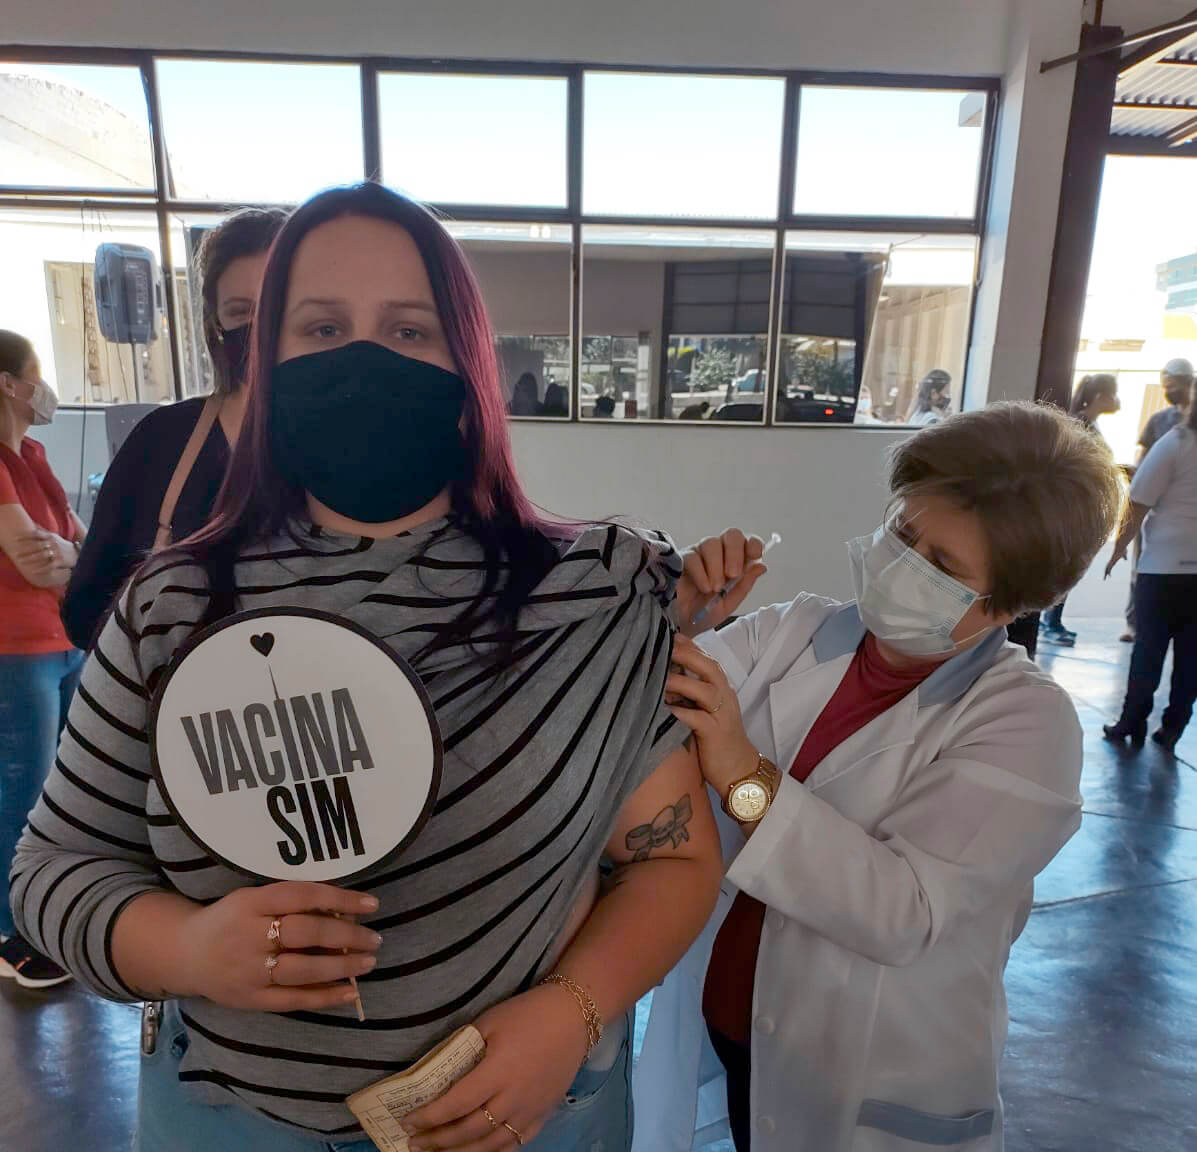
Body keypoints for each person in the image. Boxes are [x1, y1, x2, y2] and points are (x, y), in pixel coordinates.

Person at [11, 183, 722, 1152]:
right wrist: (186, 948)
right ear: (266, 361)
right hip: (230, 1121)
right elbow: (54, 868)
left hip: (528, 1121)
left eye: (409, 330)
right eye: (321, 328)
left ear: (467, 360)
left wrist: (575, 1009)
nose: (362, 359)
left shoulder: (597, 592)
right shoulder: (171, 605)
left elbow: (672, 857)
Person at [635, 402, 1125, 1152]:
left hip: (869, 1081)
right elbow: (641, 710)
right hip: (735, 1029)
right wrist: (679, 622)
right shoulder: (794, 630)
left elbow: (901, 909)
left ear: (1010, 604)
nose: (902, 566)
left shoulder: (1027, 725)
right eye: (902, 534)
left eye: (942, 568)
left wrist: (740, 772)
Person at [61, 207, 288, 651]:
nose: (260, 329)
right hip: (182, 687)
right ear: (215, 322)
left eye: (278, 308)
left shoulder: (364, 444)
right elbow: (88, 607)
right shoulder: (163, 441)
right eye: (241, 311)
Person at [0, 330, 86, 989]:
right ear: (9, 383)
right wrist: (68, 553)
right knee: (21, 791)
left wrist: (69, 553)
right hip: (15, 650)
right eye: (36, 374)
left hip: (63, 639)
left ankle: (50, 912)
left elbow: (83, 546)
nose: (45, 388)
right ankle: (13, 933)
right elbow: (33, 560)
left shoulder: (31, 456)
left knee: (65, 790)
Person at [1103, 381, 1197, 753]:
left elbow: (1139, 500)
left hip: (1163, 569)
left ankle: (1131, 723)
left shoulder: (1176, 442)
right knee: (1192, 657)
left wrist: (1118, 548)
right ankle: (1173, 727)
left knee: (1149, 649)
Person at [1041, 372, 1120, 647]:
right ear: (1100, 397)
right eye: (1113, 394)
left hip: (1080, 508)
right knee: (1063, 567)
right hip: (1073, 510)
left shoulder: (1088, 423)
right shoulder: (1081, 424)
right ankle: (1050, 623)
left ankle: (1052, 621)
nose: (1117, 400)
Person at [1121, 357, 1194, 642]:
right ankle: (1134, 622)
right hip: (1154, 508)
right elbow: (1143, 458)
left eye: (1172, 385)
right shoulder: (1159, 420)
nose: (1168, 391)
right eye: (1165, 386)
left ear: (1188, 382)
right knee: (1142, 567)